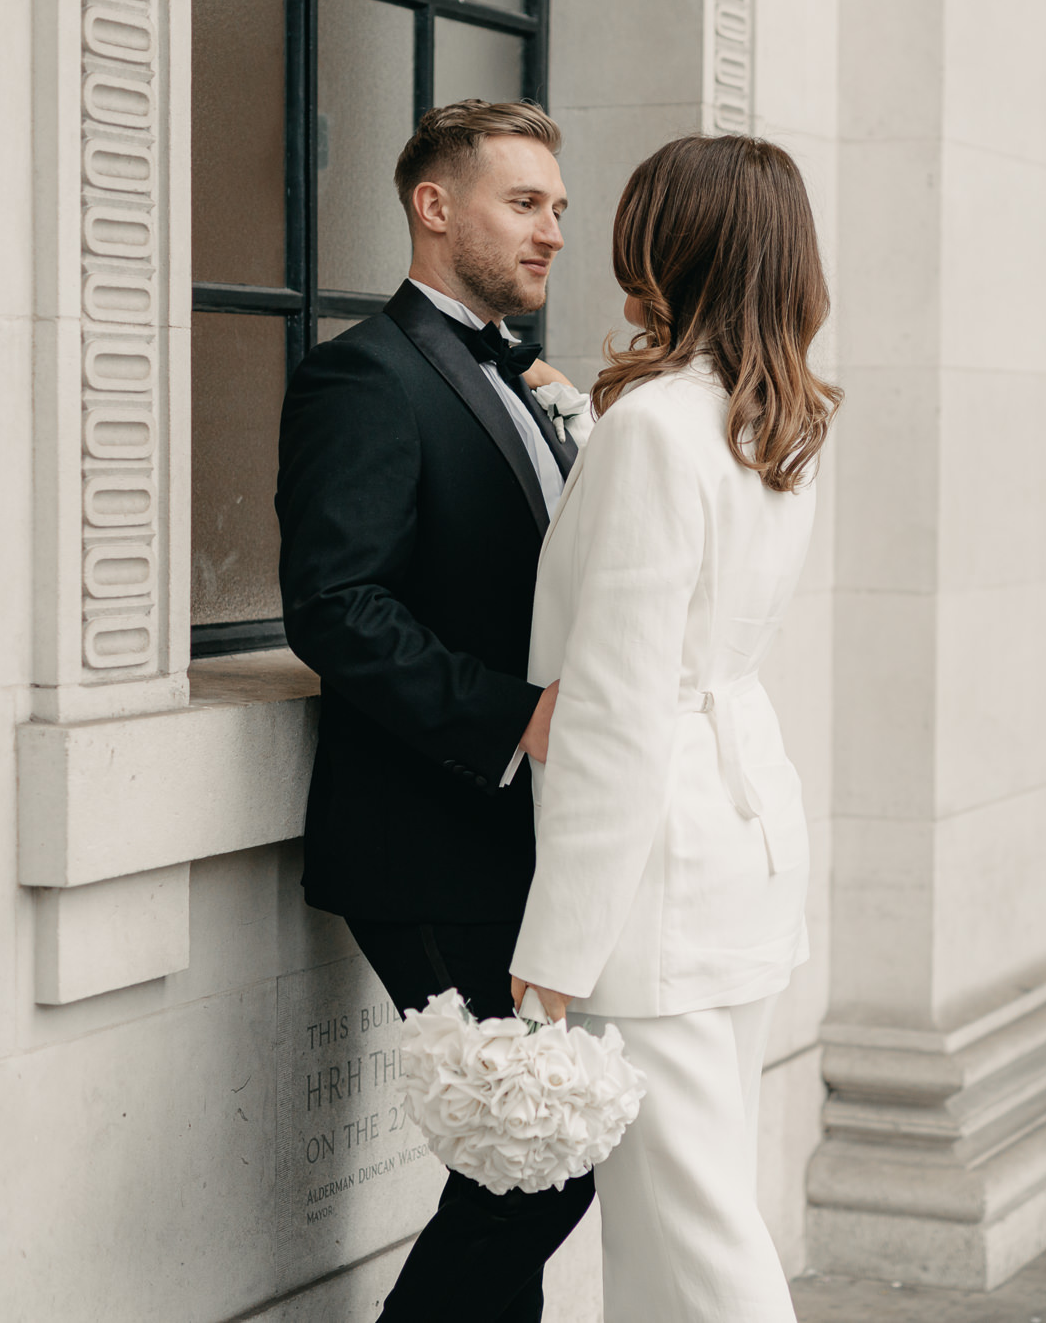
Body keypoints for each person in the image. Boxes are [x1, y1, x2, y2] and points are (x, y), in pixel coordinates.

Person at [508, 134, 842, 1322]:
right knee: (666, 1234)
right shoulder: (768, 422)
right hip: (737, 839)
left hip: (664, 869)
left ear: (676, 245)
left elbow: (615, 708)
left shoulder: (661, 428)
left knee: (696, 1235)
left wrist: (552, 957)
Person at [275, 99, 590, 1323]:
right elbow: (336, 605)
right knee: (537, 1172)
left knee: (510, 1162)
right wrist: (519, 717)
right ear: (434, 204)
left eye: (559, 207)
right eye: (525, 203)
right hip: (420, 841)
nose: (553, 231)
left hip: (510, 845)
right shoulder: (364, 373)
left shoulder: (520, 375)